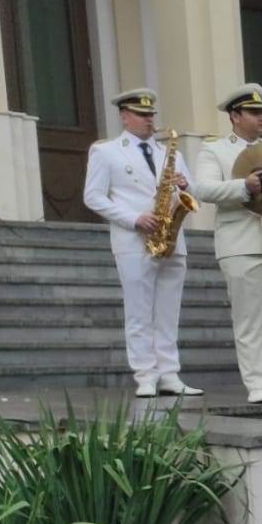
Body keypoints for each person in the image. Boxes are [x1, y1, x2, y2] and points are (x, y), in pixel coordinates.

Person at [193, 83, 262, 404]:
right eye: (254, 113)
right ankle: (256, 383)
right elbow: (203, 189)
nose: (261, 119)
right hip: (241, 243)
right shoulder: (215, 150)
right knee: (248, 318)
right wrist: (243, 186)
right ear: (235, 116)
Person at [83, 87, 198, 398]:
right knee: (139, 310)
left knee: (168, 310)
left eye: (151, 114)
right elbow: (92, 196)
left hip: (171, 238)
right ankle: (145, 375)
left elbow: (192, 191)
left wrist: (186, 185)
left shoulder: (168, 152)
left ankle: (170, 373)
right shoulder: (106, 152)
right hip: (134, 239)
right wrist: (134, 219)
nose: (150, 120)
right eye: (142, 114)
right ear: (124, 116)